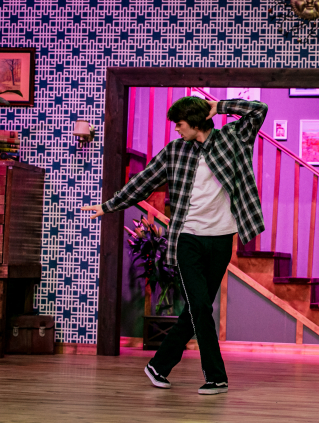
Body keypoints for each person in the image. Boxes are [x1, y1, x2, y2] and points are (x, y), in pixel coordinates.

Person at [81, 95, 268, 395]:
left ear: (195, 122)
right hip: (188, 239)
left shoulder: (233, 139)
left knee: (197, 308)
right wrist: (109, 206)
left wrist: (219, 107)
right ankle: (216, 376)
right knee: (200, 307)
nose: (177, 129)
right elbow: (143, 181)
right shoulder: (175, 151)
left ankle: (159, 365)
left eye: (179, 124)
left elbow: (258, 110)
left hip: (222, 239)